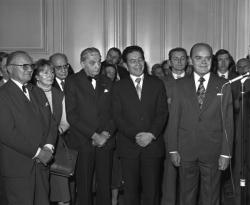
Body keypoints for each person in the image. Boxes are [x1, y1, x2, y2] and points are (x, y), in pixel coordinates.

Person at [166, 43, 234, 205]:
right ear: (190, 60)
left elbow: (228, 123)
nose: (203, 62)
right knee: (186, 196)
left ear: (212, 60)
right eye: (198, 58)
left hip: (213, 152)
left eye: (207, 58)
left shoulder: (223, 85)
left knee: (211, 197)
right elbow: (174, 119)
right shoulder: (179, 85)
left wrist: (226, 153)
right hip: (186, 150)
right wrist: (173, 149)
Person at [112, 45, 168, 205]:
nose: (137, 64)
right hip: (129, 146)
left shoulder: (157, 83)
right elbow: (117, 116)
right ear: (125, 64)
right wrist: (135, 135)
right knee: (130, 192)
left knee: (152, 191)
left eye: (140, 60)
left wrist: (150, 134)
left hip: (152, 145)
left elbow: (162, 113)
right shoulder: (118, 86)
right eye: (132, 61)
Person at [0, 51, 57, 205]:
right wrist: (38, 152)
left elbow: (51, 122)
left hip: (42, 166)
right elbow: (6, 133)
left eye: (31, 66)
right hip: (18, 168)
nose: (29, 69)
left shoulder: (37, 91)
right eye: (24, 66)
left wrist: (48, 147)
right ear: (9, 69)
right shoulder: (3, 94)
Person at [64, 47, 115, 205]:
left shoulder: (107, 80)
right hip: (83, 141)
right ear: (82, 63)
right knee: (84, 185)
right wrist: (94, 136)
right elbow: (72, 115)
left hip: (105, 142)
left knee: (104, 184)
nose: (97, 66)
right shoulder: (72, 81)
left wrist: (105, 134)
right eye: (92, 62)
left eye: (99, 62)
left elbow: (115, 111)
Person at [31, 59, 71, 205]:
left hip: (57, 146)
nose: (51, 75)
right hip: (35, 148)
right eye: (45, 72)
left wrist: (54, 133)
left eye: (52, 72)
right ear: (36, 76)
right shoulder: (29, 92)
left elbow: (65, 122)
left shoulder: (59, 94)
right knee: (39, 193)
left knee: (62, 193)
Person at [161, 47, 189, 205]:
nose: (179, 61)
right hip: (168, 134)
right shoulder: (160, 82)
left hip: (190, 135)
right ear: (169, 62)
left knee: (189, 177)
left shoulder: (195, 81)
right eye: (175, 59)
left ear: (187, 60)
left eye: (183, 58)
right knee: (169, 177)